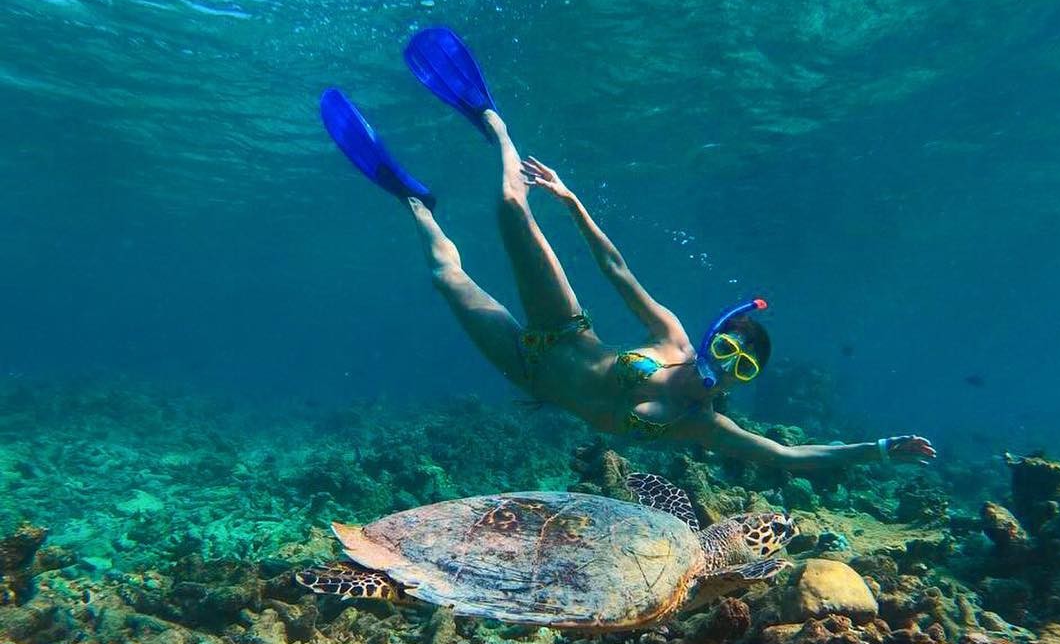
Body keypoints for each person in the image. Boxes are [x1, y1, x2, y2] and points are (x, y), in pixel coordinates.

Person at [320, 28, 935, 472]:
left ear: (743, 382)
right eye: (726, 348)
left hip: (524, 368)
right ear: (714, 335)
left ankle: (412, 200)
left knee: (443, 275)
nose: (721, 366)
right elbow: (616, 270)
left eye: (740, 368)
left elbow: (791, 456)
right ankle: (495, 125)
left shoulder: (703, 426)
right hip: (559, 331)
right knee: (511, 208)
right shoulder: (670, 337)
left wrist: (879, 449)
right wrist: (570, 201)